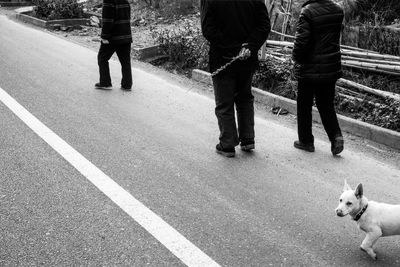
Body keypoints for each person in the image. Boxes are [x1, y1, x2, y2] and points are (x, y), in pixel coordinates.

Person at [200, 0, 271, 157]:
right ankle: (247, 139)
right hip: (246, 58)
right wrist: (249, 46)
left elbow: (208, 29)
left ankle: (227, 144)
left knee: (224, 102)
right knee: (244, 98)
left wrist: (232, 47)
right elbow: (264, 25)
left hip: (223, 57)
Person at [292, 0, 344, 155]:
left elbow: (302, 41)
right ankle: (336, 136)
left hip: (310, 66)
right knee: (326, 104)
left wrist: (296, 59)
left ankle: (306, 141)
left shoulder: (307, 11)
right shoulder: (338, 10)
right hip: (331, 64)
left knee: (304, 104)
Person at [95, 0, 133, 91]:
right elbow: (127, 17)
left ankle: (105, 82)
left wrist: (104, 36)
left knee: (102, 58)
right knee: (125, 61)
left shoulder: (109, 1)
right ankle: (127, 85)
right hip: (126, 35)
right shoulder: (125, 0)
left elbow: (108, 20)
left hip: (113, 37)